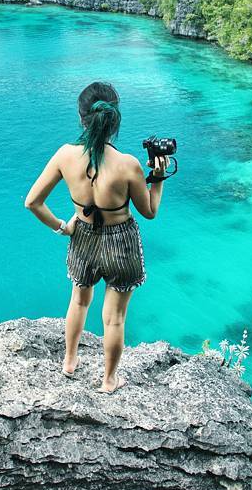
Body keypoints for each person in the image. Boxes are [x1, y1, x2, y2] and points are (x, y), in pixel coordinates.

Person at [24, 81, 168, 393]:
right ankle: (108, 380)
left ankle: (70, 362)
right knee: (114, 318)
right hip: (121, 242)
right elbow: (150, 211)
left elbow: (32, 202)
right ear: (115, 120)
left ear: (81, 118)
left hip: (83, 236)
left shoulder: (65, 155)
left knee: (78, 299)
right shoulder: (128, 164)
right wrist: (157, 178)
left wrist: (63, 227)